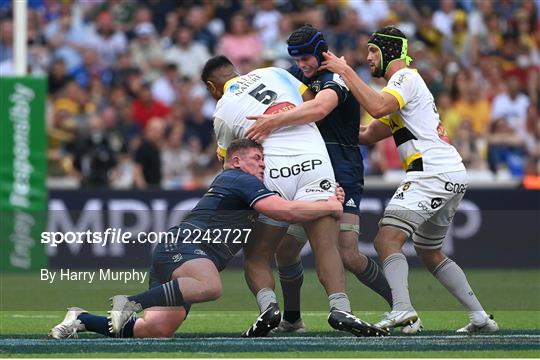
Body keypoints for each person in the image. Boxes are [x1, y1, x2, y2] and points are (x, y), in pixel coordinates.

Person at [49, 139, 345, 339]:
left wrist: (324, 198)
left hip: (179, 256)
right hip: (185, 246)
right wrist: (330, 206)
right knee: (211, 286)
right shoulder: (238, 178)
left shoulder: (247, 185)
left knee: (158, 329)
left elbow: (285, 211)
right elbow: (284, 210)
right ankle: (129, 301)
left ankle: (83, 319)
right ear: (236, 161)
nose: (263, 164)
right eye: (257, 158)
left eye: (264, 159)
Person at [320, 26, 499, 333]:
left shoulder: (405, 77)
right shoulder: (403, 93)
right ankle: (480, 318)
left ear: (390, 51)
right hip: (449, 172)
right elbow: (365, 134)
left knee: (386, 240)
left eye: (373, 51)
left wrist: (344, 70)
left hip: (430, 173)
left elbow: (376, 106)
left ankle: (403, 310)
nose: (368, 58)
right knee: (430, 251)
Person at [202, 55, 386, 337]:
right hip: (316, 160)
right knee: (326, 246)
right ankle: (340, 308)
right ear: (236, 71)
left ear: (213, 87)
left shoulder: (223, 110)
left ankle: (269, 307)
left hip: (274, 168)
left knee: (257, 255)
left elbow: (233, 164)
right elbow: (312, 101)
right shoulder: (275, 73)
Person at [245, 25, 393, 333]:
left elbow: (321, 108)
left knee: (349, 253)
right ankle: (293, 319)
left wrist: (272, 122)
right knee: (285, 251)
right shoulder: (297, 76)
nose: (301, 65)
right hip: (309, 172)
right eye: (296, 60)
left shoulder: (335, 76)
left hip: (343, 171)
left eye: (306, 59)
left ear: (320, 51)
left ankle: (402, 307)